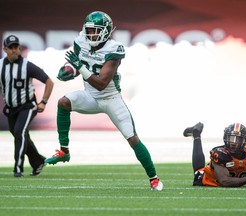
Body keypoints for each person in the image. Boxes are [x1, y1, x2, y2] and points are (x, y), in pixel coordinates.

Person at [45, 11, 163, 191]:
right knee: (63, 102)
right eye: (89, 30)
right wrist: (69, 71)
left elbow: (101, 83)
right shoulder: (81, 42)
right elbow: (80, 65)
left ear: (106, 31)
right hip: (90, 96)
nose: (91, 34)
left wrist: (79, 68)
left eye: (95, 31)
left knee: (132, 138)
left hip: (110, 98)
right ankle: (64, 151)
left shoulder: (114, 50)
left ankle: (153, 178)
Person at [0, 35, 54, 177]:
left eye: (16, 47)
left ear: (19, 48)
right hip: (11, 108)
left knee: (19, 132)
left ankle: (18, 168)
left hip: (28, 106)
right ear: (5, 49)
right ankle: (38, 161)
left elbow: (49, 81)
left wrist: (43, 102)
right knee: (21, 135)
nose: (14, 50)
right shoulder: (0, 66)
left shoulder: (27, 65)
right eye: (10, 48)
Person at [183, 122, 246, 187]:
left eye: (237, 139)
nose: (233, 142)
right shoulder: (221, 154)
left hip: (237, 176)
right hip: (207, 180)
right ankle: (197, 135)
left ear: (244, 140)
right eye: (230, 138)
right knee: (198, 172)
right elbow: (224, 181)